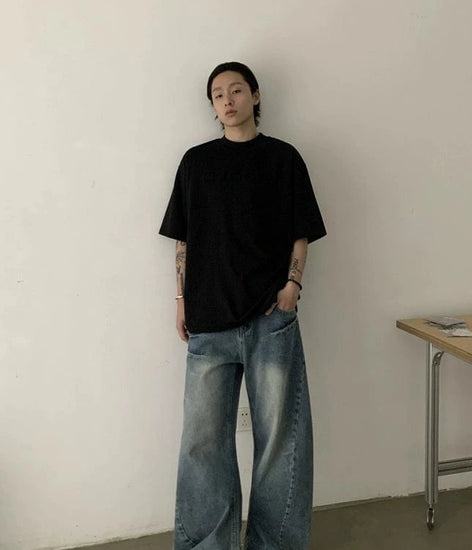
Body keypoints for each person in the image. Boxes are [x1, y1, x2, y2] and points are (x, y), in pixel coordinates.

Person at [159, 61, 326, 550]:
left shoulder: (283, 158)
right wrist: (180, 300)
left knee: (281, 440)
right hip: (208, 321)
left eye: (236, 90)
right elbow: (183, 240)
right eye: (218, 94)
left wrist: (292, 286)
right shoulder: (196, 163)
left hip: (270, 319)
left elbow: (301, 230)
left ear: (255, 96)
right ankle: (208, 544)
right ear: (213, 107)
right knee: (202, 444)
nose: (227, 100)